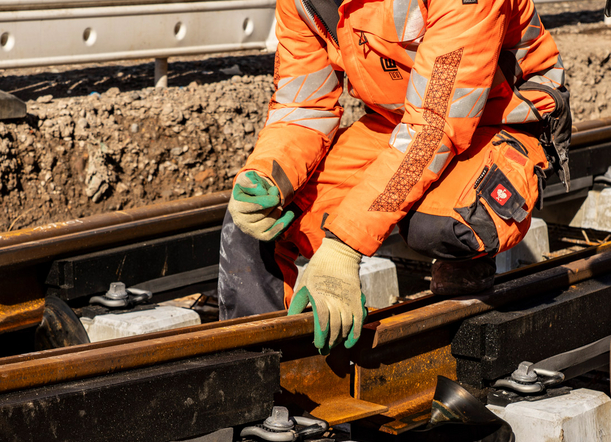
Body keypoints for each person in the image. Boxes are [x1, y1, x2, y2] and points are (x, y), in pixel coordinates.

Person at [219, 0, 570, 354]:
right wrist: (269, 173)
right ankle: (256, 366)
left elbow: (434, 126)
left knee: (437, 224)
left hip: (498, 120)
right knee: (257, 223)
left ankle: (468, 262)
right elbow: (303, 105)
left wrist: (343, 247)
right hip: (398, 122)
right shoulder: (304, 2)